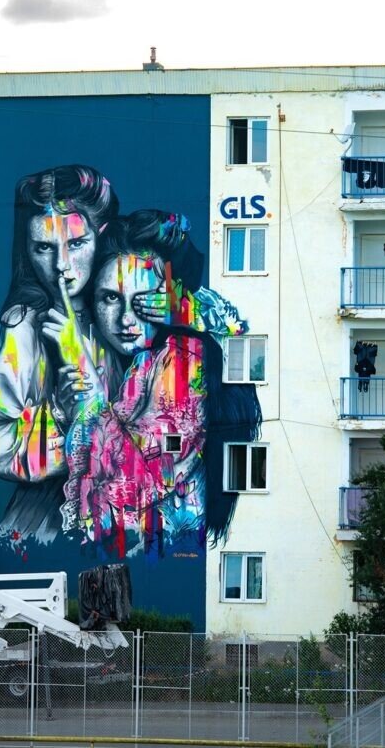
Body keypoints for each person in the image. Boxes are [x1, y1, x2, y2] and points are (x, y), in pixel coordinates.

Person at [55, 209, 262, 559]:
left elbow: (132, 482)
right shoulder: (123, 365)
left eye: (145, 300)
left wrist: (89, 402)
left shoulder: (182, 362)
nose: (126, 319)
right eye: (111, 297)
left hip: (158, 544)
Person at [0, 164, 118, 545]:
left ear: (100, 236)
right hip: (48, 518)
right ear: (28, 249)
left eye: (76, 244)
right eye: (44, 247)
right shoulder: (24, 325)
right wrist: (62, 424)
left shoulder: (118, 315)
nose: (61, 265)